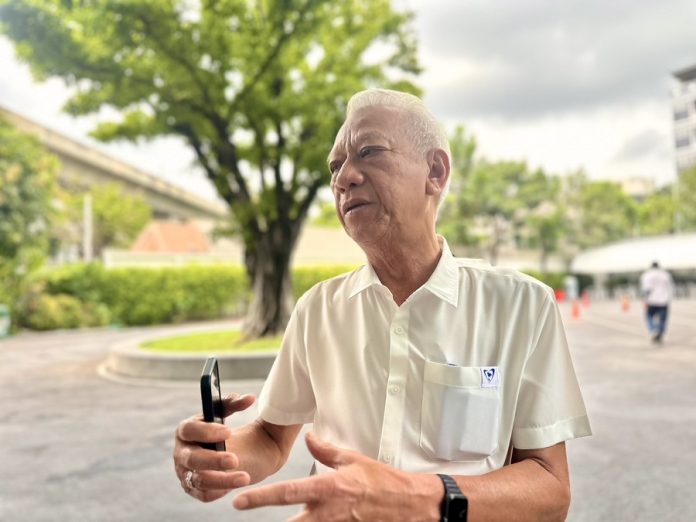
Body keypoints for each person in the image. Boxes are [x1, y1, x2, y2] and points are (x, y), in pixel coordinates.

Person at [173, 89, 592, 521]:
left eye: (369, 151)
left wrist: (416, 497)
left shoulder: (522, 305)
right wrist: (216, 458)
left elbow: (550, 490)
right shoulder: (318, 309)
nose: (343, 178)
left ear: (435, 172)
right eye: (335, 167)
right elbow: (271, 437)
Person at [639, 261, 674, 344]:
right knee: (662, 319)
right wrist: (669, 298)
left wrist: (644, 299)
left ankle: (653, 330)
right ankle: (660, 333)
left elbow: (646, 289)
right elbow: (670, 287)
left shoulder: (646, 275)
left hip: (651, 300)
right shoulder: (666, 275)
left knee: (649, 317)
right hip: (663, 300)